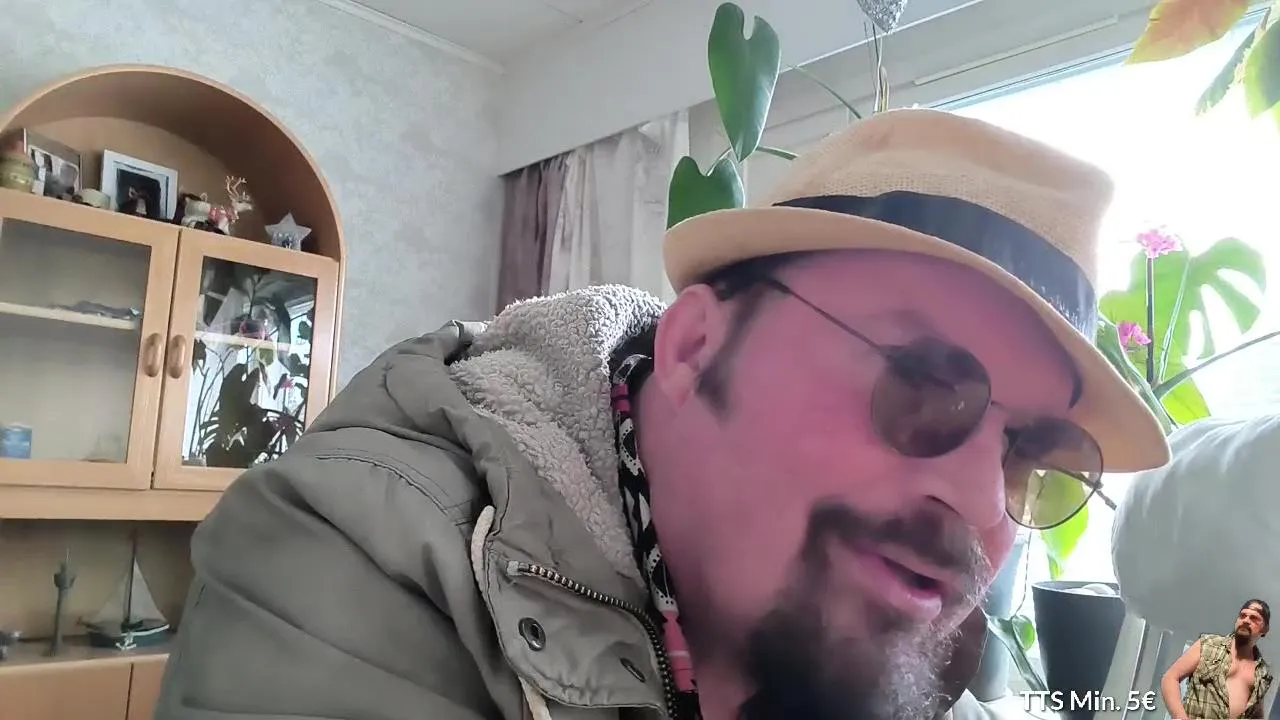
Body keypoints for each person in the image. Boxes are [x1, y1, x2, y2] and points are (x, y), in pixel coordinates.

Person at [156, 108, 1171, 720]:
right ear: (694, 348)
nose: (979, 505)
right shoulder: (353, 552)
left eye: (1025, 454)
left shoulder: (906, 643)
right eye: (921, 381)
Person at [1161, 599, 1274, 719]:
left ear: (1265, 629)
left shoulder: (1262, 672)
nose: (1246, 620)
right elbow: (1170, 677)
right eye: (1243, 615)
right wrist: (1180, 716)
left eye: (1254, 618)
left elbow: (1256, 713)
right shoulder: (1208, 645)